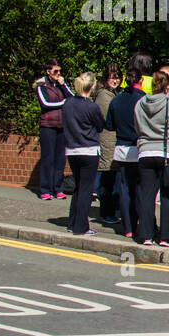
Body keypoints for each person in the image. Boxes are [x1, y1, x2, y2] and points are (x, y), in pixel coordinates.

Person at [133, 69, 169, 246]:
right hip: (167, 153)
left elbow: (137, 128)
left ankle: (146, 235)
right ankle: (166, 237)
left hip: (145, 152)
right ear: (167, 87)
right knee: (167, 196)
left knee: (147, 196)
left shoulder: (140, 103)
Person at [104, 65, 146, 238]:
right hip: (139, 147)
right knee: (139, 188)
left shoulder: (116, 100)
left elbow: (109, 125)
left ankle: (127, 227)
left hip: (121, 148)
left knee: (124, 188)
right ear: (141, 80)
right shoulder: (144, 99)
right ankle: (139, 224)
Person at [62, 73, 105, 235]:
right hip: (88, 150)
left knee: (78, 187)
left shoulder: (67, 104)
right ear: (92, 87)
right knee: (86, 189)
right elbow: (101, 126)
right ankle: (81, 226)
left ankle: (72, 222)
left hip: (72, 149)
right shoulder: (92, 106)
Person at [35, 59, 73, 200]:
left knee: (60, 158)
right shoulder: (41, 85)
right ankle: (45, 189)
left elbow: (72, 98)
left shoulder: (59, 85)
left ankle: (58, 187)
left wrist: (63, 85)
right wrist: (62, 103)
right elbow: (45, 103)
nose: (58, 74)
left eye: (59, 71)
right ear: (48, 71)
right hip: (47, 125)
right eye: (55, 71)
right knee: (47, 158)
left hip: (61, 125)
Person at [93, 64, 121, 223]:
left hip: (113, 139)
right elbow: (107, 118)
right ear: (106, 78)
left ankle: (111, 211)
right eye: (112, 77)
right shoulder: (104, 95)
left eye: (117, 77)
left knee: (112, 177)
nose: (115, 80)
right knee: (107, 178)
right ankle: (106, 213)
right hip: (107, 140)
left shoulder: (112, 93)